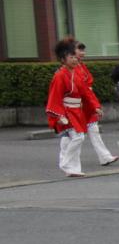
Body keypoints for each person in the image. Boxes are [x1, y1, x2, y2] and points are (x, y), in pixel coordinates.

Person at [44, 38, 96, 177]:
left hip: (77, 110)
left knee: (72, 139)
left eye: (75, 57)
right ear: (63, 59)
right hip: (67, 111)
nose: (74, 59)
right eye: (71, 57)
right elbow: (55, 96)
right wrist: (59, 115)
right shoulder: (60, 75)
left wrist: (95, 106)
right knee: (78, 137)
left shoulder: (75, 73)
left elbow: (85, 92)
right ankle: (66, 163)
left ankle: (74, 168)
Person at [72, 41, 118, 167]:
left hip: (86, 102)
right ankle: (68, 160)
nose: (83, 53)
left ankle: (104, 156)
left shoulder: (81, 66)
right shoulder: (71, 68)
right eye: (79, 50)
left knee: (92, 129)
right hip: (76, 104)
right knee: (74, 135)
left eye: (83, 50)